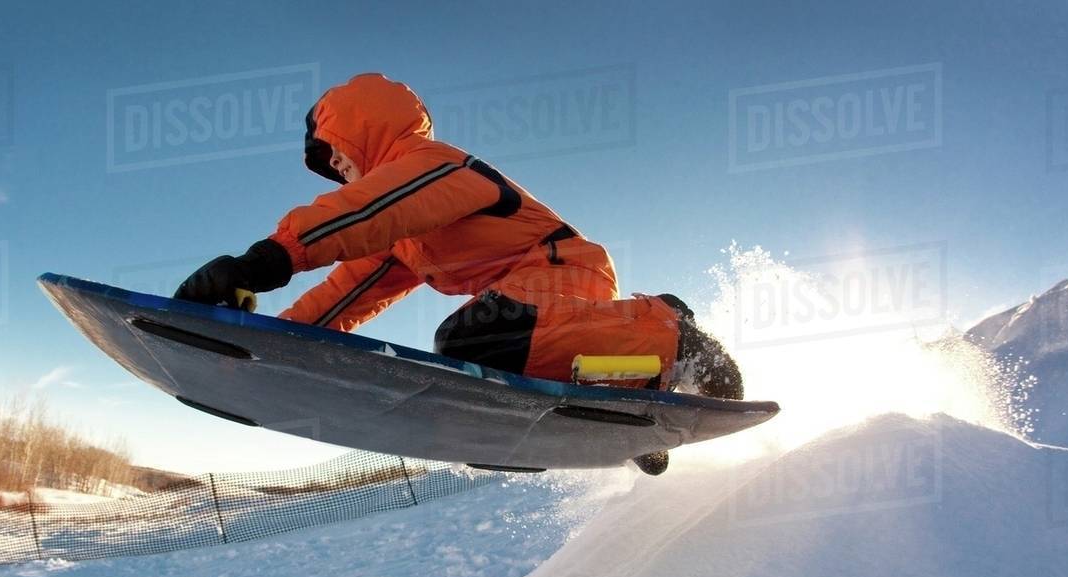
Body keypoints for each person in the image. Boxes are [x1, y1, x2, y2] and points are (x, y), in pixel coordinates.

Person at [174, 73, 742, 399]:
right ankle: (635, 380)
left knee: (471, 342)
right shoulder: (402, 240)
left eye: (334, 154)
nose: (337, 169)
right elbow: (341, 299)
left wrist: (258, 264)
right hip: (532, 301)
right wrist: (253, 344)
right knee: (487, 348)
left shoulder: (436, 166)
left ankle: (669, 336)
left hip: (562, 270)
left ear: (359, 129)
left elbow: (363, 213)